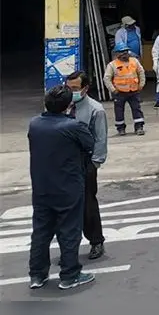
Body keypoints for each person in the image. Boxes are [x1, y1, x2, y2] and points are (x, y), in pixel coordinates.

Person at [27, 85, 97, 290]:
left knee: (41, 231)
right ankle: (70, 274)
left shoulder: (35, 124)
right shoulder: (72, 127)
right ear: (68, 106)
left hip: (41, 186)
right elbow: (89, 144)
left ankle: (37, 275)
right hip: (67, 186)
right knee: (69, 231)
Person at [65, 71, 108, 260]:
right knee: (65, 206)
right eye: (68, 88)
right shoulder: (63, 105)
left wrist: (94, 164)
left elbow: (101, 139)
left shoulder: (95, 109)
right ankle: (69, 247)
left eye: (74, 89)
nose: (70, 92)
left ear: (85, 89)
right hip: (64, 161)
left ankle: (96, 241)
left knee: (88, 205)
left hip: (85, 161)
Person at [104, 42, 146, 136]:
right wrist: (113, 89)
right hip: (119, 93)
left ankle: (139, 127)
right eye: (122, 52)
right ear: (117, 53)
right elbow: (107, 78)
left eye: (126, 51)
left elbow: (141, 72)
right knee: (119, 111)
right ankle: (120, 128)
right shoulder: (112, 65)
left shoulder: (134, 61)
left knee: (137, 109)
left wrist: (141, 84)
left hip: (134, 91)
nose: (124, 53)